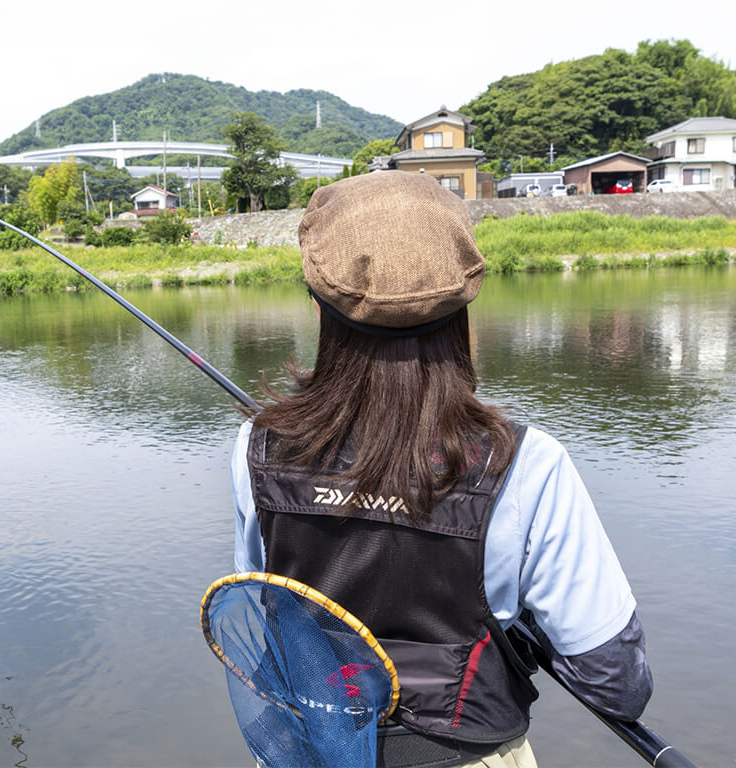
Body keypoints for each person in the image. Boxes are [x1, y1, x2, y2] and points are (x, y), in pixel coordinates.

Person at [230, 172, 652, 767]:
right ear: (464, 300)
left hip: (308, 751)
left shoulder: (258, 447)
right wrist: (525, 635)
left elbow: (267, 606)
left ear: (322, 301)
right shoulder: (528, 465)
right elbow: (617, 684)